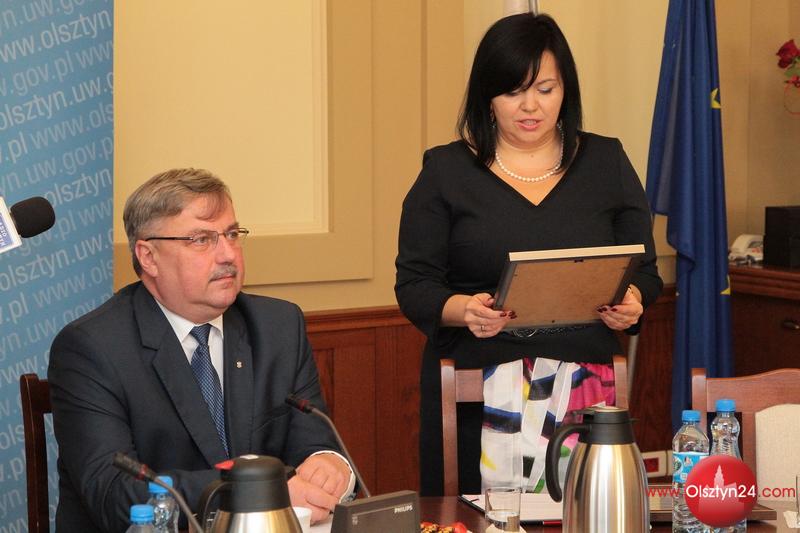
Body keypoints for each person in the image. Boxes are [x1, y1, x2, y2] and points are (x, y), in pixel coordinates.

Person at [395, 13, 663, 496]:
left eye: (545, 89)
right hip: (474, 384)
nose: (530, 106)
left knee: (587, 511)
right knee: (472, 518)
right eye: (513, 91)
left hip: (586, 382)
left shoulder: (606, 161)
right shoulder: (446, 171)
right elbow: (415, 285)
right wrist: (465, 309)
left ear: (566, 90)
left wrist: (634, 302)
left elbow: (644, 270)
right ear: (487, 96)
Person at [48, 168, 354, 532]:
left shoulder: (278, 327)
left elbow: (315, 443)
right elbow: (115, 494)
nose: (228, 255)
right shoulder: (93, 348)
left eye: (232, 234)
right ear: (148, 257)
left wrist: (331, 464)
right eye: (201, 239)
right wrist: (258, 494)